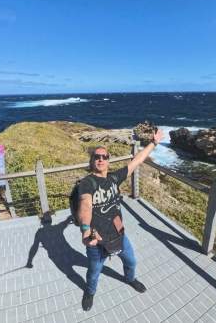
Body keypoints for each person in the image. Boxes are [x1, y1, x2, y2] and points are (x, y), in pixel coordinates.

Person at [77, 128, 164, 311]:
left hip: (119, 236)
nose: (100, 159)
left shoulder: (115, 178)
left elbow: (137, 161)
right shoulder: (87, 182)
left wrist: (153, 143)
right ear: (92, 161)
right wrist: (85, 228)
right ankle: (90, 292)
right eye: (97, 156)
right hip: (97, 240)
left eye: (104, 156)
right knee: (94, 273)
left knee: (131, 262)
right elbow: (85, 204)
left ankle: (130, 279)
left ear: (108, 160)